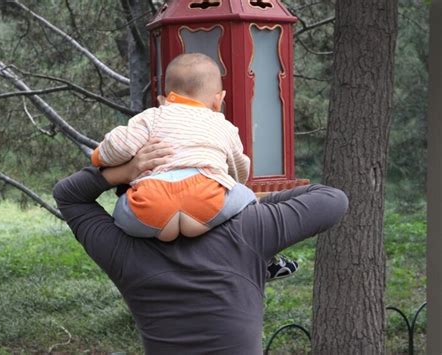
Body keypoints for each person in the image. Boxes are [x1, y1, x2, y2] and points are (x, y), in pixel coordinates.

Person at [53, 140, 348, 354]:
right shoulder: (249, 228)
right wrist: (243, 202)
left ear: (134, 194)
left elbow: (68, 195)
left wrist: (125, 169)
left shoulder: (121, 249)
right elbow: (332, 200)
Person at [92, 52, 298, 279]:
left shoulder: (152, 116)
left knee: (121, 206)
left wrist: (99, 157)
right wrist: (234, 184)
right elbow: (239, 168)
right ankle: (265, 261)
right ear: (218, 99)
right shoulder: (222, 125)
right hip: (204, 202)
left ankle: (136, 261)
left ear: (166, 97)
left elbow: (118, 145)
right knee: (246, 195)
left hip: (151, 207)